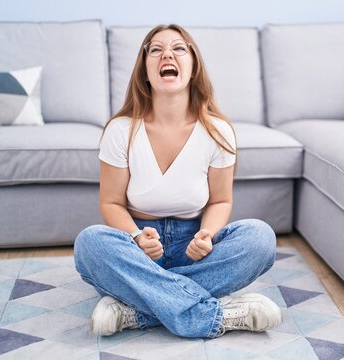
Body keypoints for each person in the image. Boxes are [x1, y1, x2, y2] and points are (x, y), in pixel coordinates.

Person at [73, 24, 282, 339]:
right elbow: (111, 202)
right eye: (155, 50)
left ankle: (137, 309)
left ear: (194, 67)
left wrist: (207, 236)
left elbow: (220, 201)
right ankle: (215, 315)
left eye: (179, 48)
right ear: (145, 70)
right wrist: (134, 238)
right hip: (139, 249)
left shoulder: (218, 131)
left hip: (193, 245)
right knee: (90, 244)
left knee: (260, 238)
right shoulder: (120, 130)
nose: (167, 54)